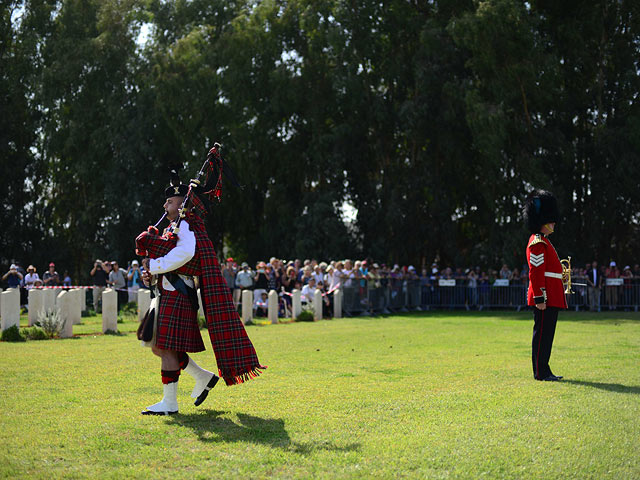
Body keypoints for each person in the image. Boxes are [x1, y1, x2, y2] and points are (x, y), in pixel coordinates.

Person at [136, 167, 264, 415]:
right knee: (157, 346)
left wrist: (154, 264)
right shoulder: (173, 228)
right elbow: (170, 256)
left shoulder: (186, 225)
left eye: (169, 201)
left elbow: (186, 254)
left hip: (178, 293)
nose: (165, 205)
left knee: (165, 347)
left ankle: (170, 403)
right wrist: (150, 274)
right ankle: (202, 377)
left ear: (181, 203)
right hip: (167, 291)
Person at [524, 189, 566, 382]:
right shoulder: (538, 242)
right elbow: (536, 272)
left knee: (547, 335)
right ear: (543, 220)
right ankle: (540, 372)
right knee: (542, 335)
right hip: (545, 296)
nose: (554, 223)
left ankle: (545, 369)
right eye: (550, 220)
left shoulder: (545, 242)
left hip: (551, 293)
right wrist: (540, 298)